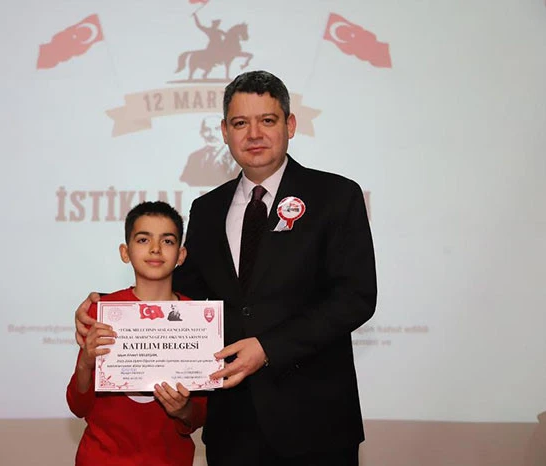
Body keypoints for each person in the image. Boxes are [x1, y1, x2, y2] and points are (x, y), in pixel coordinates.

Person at [75, 70, 377, 465]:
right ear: (224, 131)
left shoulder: (336, 196)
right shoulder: (207, 208)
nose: (254, 134)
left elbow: (355, 298)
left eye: (267, 120)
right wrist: (106, 311)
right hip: (232, 428)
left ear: (290, 125)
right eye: (240, 123)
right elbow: (181, 296)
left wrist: (267, 348)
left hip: (316, 424)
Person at [66, 201, 207, 466]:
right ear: (125, 252)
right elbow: (78, 406)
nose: (155, 248)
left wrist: (183, 409)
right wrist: (85, 361)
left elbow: (198, 416)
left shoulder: (197, 318)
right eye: (143, 239)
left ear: (181, 255)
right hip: (101, 458)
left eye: (167, 241)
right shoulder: (101, 311)